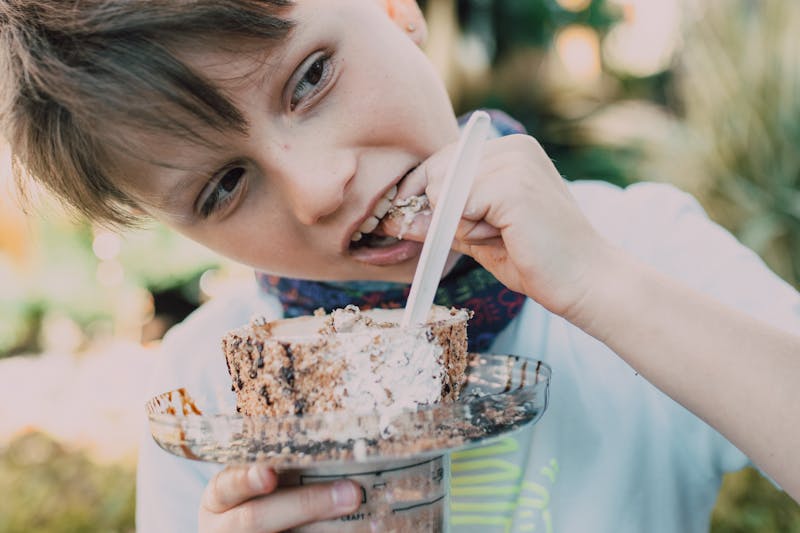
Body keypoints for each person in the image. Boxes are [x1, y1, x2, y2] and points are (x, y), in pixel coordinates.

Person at [1, 0, 798, 531]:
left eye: (312, 76)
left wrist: (601, 285)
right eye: (224, 186)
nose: (319, 187)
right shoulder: (211, 397)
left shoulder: (641, 247)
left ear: (395, 7)